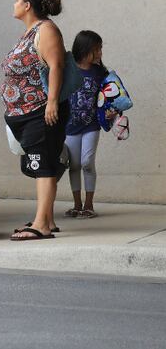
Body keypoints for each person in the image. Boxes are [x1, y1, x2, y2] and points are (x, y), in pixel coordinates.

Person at [2, 0, 69, 241]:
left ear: (27, 5)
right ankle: (47, 220)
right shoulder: (30, 31)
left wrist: (52, 101)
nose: (14, 4)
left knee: (43, 166)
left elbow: (56, 66)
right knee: (41, 164)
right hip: (25, 113)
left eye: (17, 0)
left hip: (41, 110)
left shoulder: (47, 29)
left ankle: (41, 224)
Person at [64, 30, 110, 220]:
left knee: (86, 163)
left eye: (100, 49)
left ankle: (89, 204)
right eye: (97, 49)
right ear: (85, 50)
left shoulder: (99, 72)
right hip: (70, 126)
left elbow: (109, 96)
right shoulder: (68, 68)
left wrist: (111, 111)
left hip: (91, 125)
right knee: (74, 165)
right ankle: (77, 204)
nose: (100, 53)